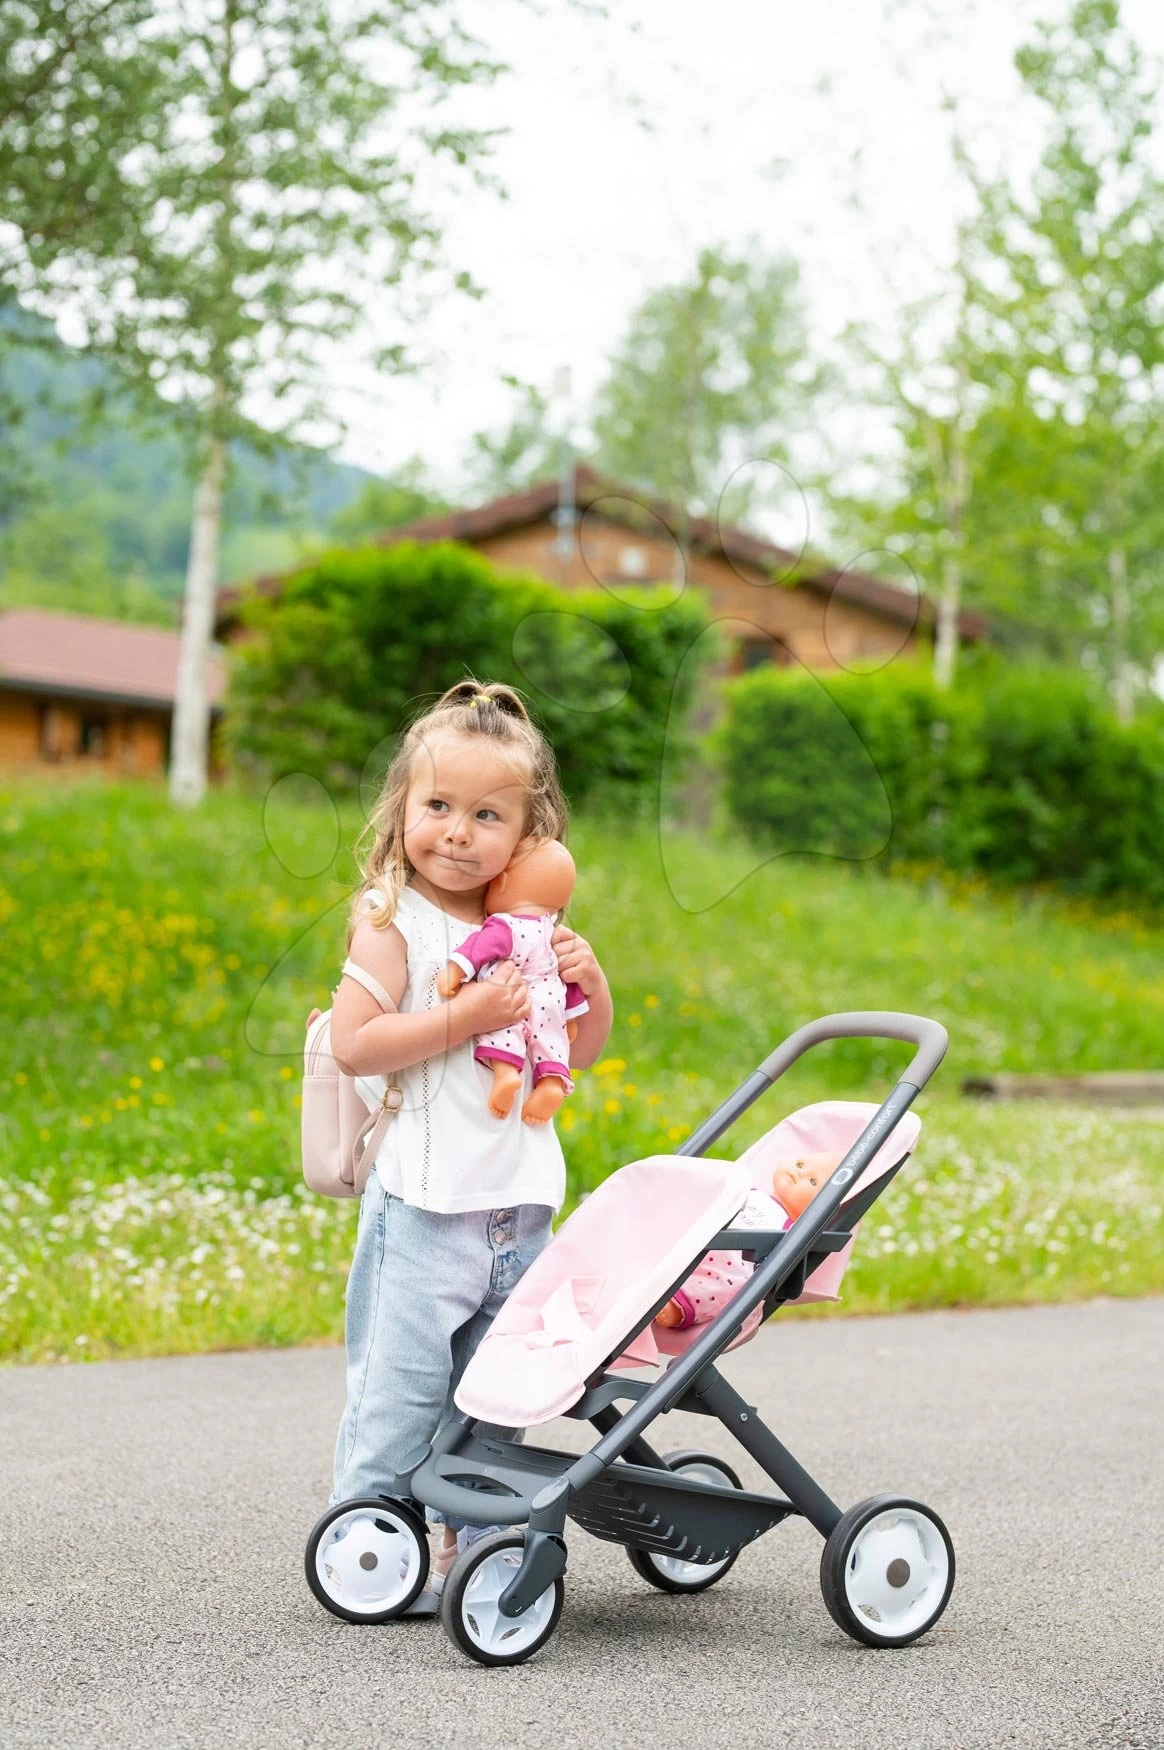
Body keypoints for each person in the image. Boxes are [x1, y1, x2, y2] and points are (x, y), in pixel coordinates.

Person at [326, 677, 613, 1612]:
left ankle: (483, 1547)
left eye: (487, 815)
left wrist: (593, 984)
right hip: (424, 1207)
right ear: (402, 808)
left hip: (518, 1208)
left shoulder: (530, 930)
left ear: (528, 833)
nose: (456, 832)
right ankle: (373, 1540)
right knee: (401, 1395)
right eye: (438, 806)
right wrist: (466, 1016)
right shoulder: (393, 921)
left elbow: (578, 1052)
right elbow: (355, 1043)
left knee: (494, 1397)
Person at [653, 1153, 836, 1330]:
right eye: (800, 1164)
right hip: (698, 1247)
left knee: (721, 1289)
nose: (800, 1173)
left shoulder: (791, 1230)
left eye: (813, 1181)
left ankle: (677, 1309)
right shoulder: (748, 1191)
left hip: (727, 1269)